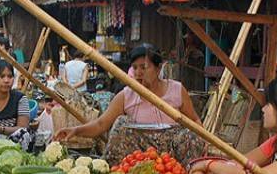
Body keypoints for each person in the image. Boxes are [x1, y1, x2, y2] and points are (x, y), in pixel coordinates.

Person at [55, 44, 206, 167]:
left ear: (158, 68)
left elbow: (195, 122)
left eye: (144, 67)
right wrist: (75, 131)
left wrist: (203, 143)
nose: (138, 72)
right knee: (121, 123)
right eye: (135, 68)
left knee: (192, 134)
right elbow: (101, 124)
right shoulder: (126, 95)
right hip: (139, 157)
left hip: (171, 159)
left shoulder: (176, 90)